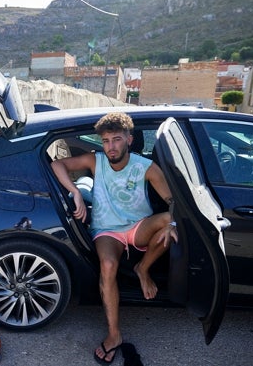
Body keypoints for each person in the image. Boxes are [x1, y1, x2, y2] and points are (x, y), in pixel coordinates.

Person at [50, 112, 178, 364]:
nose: (111, 146)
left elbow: (173, 201)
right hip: (107, 230)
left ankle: (144, 268)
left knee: (169, 224)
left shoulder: (146, 167)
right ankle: (114, 334)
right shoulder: (96, 161)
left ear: (129, 140)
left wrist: (172, 222)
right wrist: (75, 191)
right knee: (108, 265)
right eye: (106, 141)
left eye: (117, 139)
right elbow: (57, 165)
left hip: (138, 226)